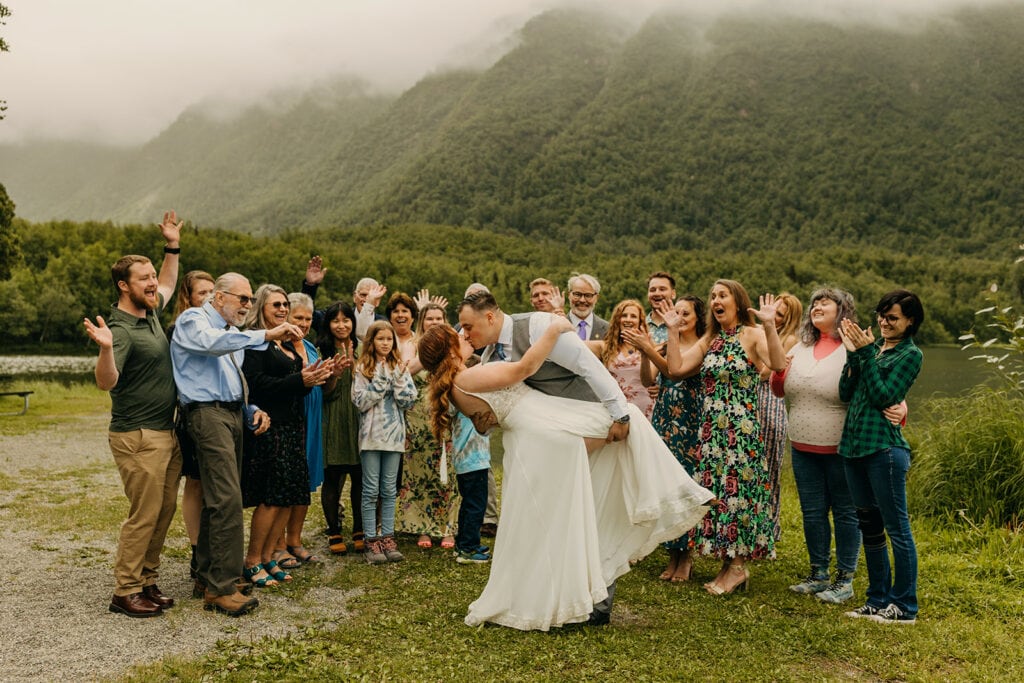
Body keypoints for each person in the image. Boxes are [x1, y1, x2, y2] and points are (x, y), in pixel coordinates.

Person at [419, 319, 713, 630]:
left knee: (549, 521)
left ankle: (563, 594)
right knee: (630, 423)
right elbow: (524, 369)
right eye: (457, 336)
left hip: (534, 430)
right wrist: (554, 330)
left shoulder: (458, 385)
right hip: (545, 428)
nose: (465, 336)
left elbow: (484, 421)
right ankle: (678, 494)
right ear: (450, 350)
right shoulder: (470, 376)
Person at [171, 272, 301, 616]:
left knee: (223, 498)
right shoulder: (194, 320)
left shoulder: (232, 335)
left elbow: (232, 378)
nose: (247, 305)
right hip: (206, 414)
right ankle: (222, 587)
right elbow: (210, 344)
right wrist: (265, 334)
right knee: (226, 498)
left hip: (231, 414)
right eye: (242, 299)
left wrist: (250, 408)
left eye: (249, 300)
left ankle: (208, 575)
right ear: (218, 297)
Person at [773, 287, 904, 604]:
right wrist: (780, 369)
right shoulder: (801, 347)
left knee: (846, 513)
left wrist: (902, 407)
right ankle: (818, 574)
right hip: (802, 445)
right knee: (812, 512)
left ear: (843, 310)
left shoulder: (855, 345)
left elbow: (883, 384)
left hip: (843, 447)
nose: (816, 306)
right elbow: (778, 388)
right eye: (814, 302)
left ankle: (844, 579)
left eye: (825, 302)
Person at [83, 211, 182, 618]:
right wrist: (106, 349)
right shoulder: (121, 328)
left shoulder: (151, 312)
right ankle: (124, 591)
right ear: (125, 286)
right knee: (143, 516)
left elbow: (170, 282)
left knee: (163, 511)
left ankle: (147, 580)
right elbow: (106, 382)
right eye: (143, 279)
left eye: (151, 276)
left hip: (165, 431)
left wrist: (171, 245)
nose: (152, 283)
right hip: (137, 436)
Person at [659, 280, 787, 595]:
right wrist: (673, 331)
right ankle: (728, 565)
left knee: (741, 498)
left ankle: (738, 568)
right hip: (713, 433)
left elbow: (779, 364)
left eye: (722, 295)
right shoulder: (711, 339)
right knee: (721, 499)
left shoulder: (752, 335)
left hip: (741, 433)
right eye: (713, 296)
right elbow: (675, 369)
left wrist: (769, 325)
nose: (716, 301)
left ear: (737, 301)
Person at [839, 290, 924, 625]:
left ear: (910, 321)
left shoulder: (910, 355)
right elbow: (846, 392)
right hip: (853, 448)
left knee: (897, 528)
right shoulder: (871, 350)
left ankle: (904, 607)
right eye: (881, 316)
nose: (884, 323)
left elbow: (882, 395)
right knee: (870, 528)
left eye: (892, 318)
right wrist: (854, 356)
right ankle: (877, 600)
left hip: (885, 451)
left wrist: (865, 356)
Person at [241, 285, 332, 586]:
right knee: (270, 498)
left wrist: (313, 378)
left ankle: (269, 555)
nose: (282, 309)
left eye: (284, 304)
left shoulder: (288, 343)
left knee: (287, 496)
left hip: (294, 426)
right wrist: (299, 379)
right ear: (261, 309)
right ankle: (253, 560)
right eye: (275, 304)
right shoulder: (256, 343)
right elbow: (256, 384)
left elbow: (296, 383)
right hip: (272, 428)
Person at [627, 295, 706, 583]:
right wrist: (647, 352)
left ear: (698, 317)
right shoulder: (664, 344)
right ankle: (672, 554)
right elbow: (649, 380)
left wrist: (650, 348)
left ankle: (686, 557)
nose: (679, 317)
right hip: (664, 418)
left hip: (690, 420)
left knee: (686, 482)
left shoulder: (701, 346)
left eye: (686, 313)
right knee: (667, 483)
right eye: (676, 312)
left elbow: (676, 371)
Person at [352, 320, 417, 564]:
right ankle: (371, 540)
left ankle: (387, 536)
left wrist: (398, 382)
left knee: (389, 490)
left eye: (389, 339)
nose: (385, 343)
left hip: (394, 438)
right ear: (372, 341)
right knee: (370, 490)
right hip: (370, 437)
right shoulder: (362, 368)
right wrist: (380, 382)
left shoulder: (399, 367)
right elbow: (359, 402)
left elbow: (409, 400)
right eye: (381, 339)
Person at [397, 303, 459, 549]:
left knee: (448, 474)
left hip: (445, 414)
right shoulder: (412, 345)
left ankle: (448, 528)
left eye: (439, 318)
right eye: (430, 318)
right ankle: (422, 526)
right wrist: (426, 356)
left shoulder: (452, 347)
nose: (434, 322)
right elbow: (402, 375)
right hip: (417, 417)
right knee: (419, 473)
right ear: (422, 321)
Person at [169, 269, 215, 581]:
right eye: (202, 293)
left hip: (221, 414)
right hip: (192, 413)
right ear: (189, 297)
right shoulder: (180, 328)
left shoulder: (222, 327)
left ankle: (216, 549)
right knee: (196, 482)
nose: (209, 298)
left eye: (214, 292)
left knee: (217, 485)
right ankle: (198, 551)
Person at [275, 291, 327, 564]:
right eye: (298, 317)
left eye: (308, 318)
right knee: (287, 482)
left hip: (313, 417)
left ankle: (295, 539)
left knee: (305, 482)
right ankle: (279, 542)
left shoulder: (309, 345)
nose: (304, 323)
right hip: (292, 418)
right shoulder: (279, 346)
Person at [757, 291, 802, 543]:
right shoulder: (761, 333)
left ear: (789, 318)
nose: (773, 318)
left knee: (769, 471)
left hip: (771, 406)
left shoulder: (790, 339)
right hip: (755, 404)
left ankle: (769, 530)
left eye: (780, 315)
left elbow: (764, 373)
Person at [317, 302, 361, 555]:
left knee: (359, 476)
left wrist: (355, 364)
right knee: (333, 477)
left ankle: (359, 529)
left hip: (358, 419)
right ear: (328, 324)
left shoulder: (364, 348)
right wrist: (334, 373)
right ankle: (334, 530)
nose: (342, 325)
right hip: (332, 418)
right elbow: (323, 393)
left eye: (347, 320)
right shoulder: (320, 350)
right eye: (336, 320)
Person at [585, 299, 655, 418]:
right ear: (618, 320)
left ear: (640, 321)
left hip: (644, 408)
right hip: (617, 410)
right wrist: (558, 316)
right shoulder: (604, 347)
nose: (628, 319)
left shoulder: (651, 346)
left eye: (633, 316)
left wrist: (645, 350)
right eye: (624, 315)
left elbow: (650, 380)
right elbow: (574, 343)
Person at [567, 273, 608, 341]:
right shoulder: (555, 326)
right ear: (569, 295)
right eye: (577, 294)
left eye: (588, 295)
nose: (582, 300)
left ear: (596, 298)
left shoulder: (608, 329)